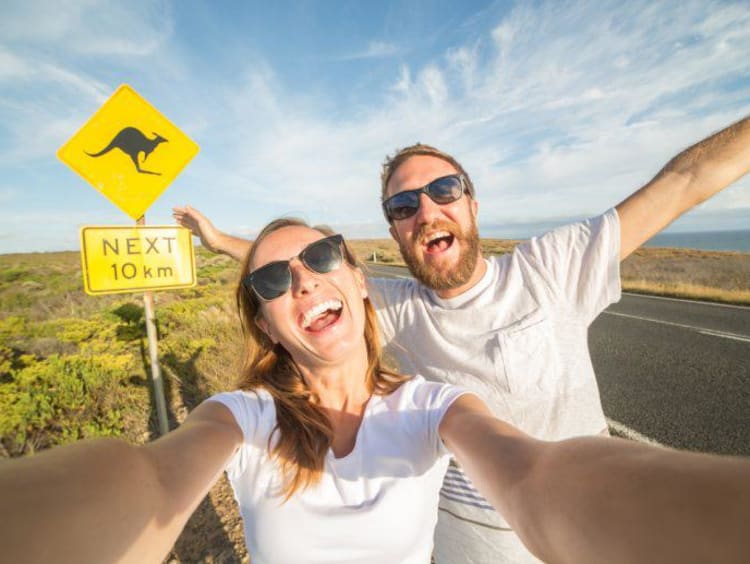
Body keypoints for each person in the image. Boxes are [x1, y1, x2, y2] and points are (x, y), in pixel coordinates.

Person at [172, 114, 750, 562]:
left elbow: (684, 182)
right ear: (395, 232)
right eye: (403, 205)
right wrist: (223, 241)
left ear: (472, 203)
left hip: (589, 529)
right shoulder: (388, 307)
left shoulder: (550, 267)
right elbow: (304, 278)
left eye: (443, 190)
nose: (426, 210)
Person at [1, 218, 749, 564]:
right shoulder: (245, 418)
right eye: (271, 280)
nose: (301, 279)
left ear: (359, 282)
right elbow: (151, 478)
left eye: (322, 256)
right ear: (264, 322)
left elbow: (537, 475)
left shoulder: (430, 407)